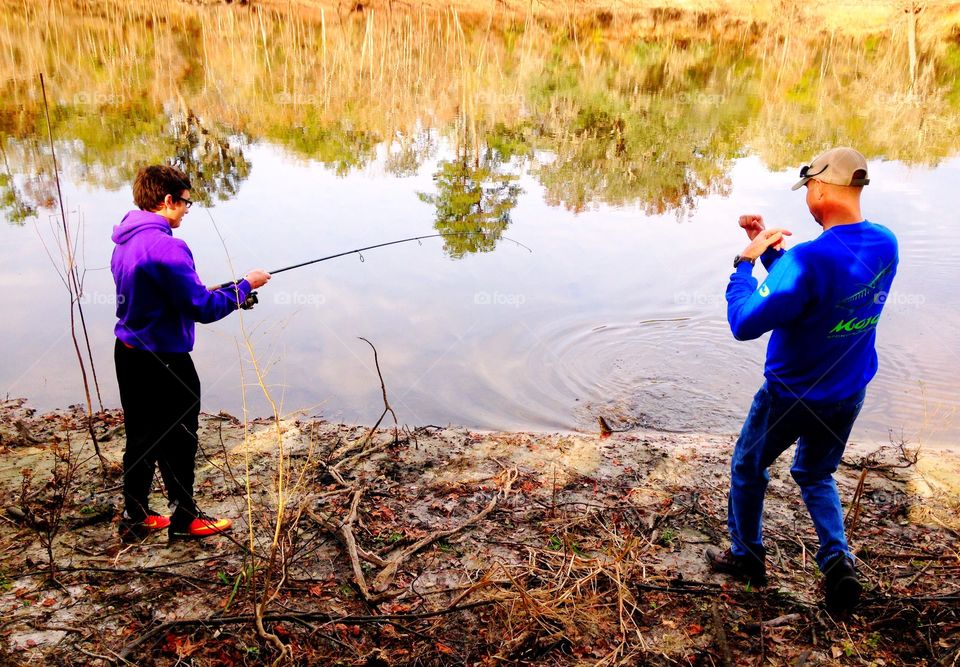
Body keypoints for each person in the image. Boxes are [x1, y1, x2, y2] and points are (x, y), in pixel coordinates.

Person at [707, 147, 898, 613]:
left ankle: (747, 558)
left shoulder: (811, 259)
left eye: (809, 189)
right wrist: (777, 257)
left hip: (790, 396)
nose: (808, 199)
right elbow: (820, 292)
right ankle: (838, 562)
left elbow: (744, 323)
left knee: (749, 469)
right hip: (848, 392)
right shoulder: (886, 243)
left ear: (821, 189)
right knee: (816, 473)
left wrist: (744, 263)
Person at [112, 165, 270, 542]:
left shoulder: (125, 240)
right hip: (165, 360)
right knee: (180, 436)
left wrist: (221, 290)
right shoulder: (169, 246)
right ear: (167, 200)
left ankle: (135, 515)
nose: (186, 209)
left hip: (129, 353)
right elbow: (201, 308)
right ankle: (184, 519)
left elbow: (161, 295)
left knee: (141, 436)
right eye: (185, 202)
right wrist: (246, 284)